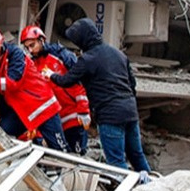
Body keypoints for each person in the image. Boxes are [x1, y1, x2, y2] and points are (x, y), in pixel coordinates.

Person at [46, 17, 151, 173]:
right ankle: (151, 188)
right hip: (130, 112)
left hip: (110, 115)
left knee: (116, 163)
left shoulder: (88, 59)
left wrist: (51, 75)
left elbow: (67, 80)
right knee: (137, 155)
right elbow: (132, 84)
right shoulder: (118, 54)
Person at [0, 27, 67, 152]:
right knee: (1, 133)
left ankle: (62, 169)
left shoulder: (16, 55)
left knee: (59, 149)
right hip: (21, 110)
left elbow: (12, 83)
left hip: (42, 106)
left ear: (1, 44)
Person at [20, 25, 90, 154]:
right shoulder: (33, 65)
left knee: (77, 158)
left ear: (42, 40)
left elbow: (79, 82)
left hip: (74, 117)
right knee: (62, 159)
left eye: (32, 45)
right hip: (56, 121)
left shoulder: (61, 55)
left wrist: (83, 110)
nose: (30, 50)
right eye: (27, 47)